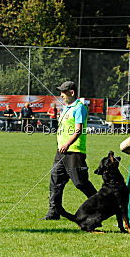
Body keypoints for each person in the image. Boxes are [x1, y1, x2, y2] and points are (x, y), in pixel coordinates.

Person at [41, 81, 97, 220]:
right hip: (61, 151)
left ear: (72, 92)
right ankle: (54, 212)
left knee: (80, 183)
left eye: (63, 92)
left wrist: (66, 144)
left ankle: (101, 205)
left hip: (74, 151)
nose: (61, 95)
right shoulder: (66, 108)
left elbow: (78, 130)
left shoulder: (79, 107)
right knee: (55, 181)